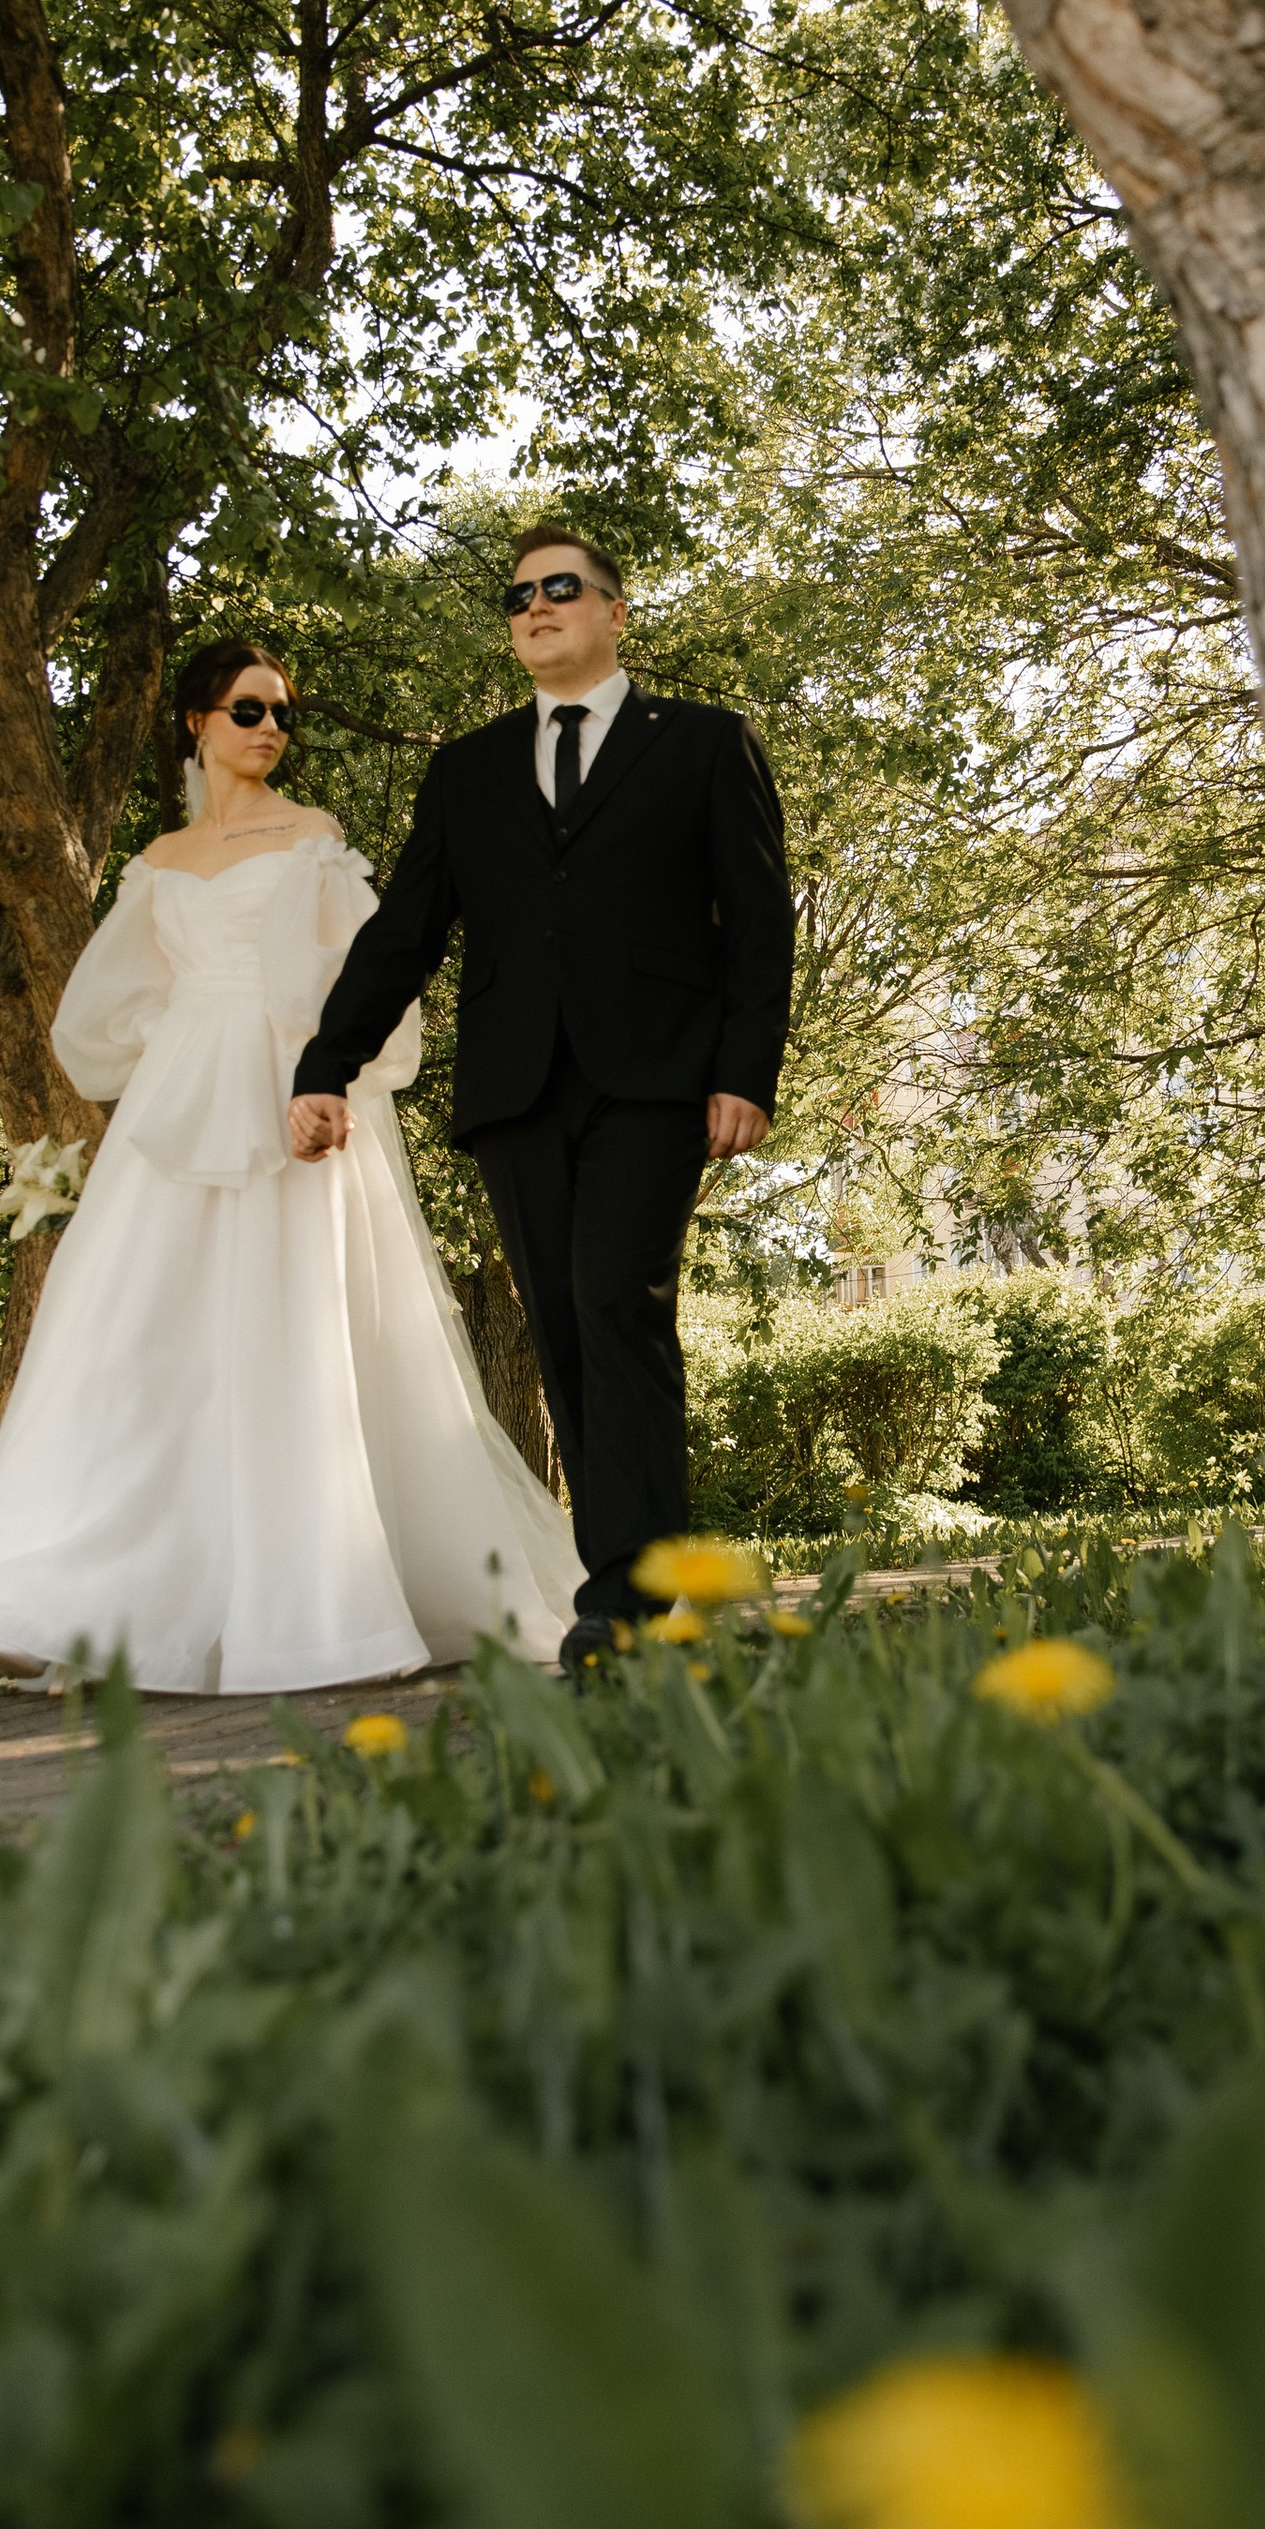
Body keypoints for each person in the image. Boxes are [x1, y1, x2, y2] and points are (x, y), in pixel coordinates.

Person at [0, 640, 580, 1691]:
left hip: (290, 1093)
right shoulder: (159, 861)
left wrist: (335, 1081)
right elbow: (109, 1005)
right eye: (248, 709)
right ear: (197, 721)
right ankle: (61, 1603)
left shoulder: (312, 838)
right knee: (133, 1343)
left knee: (294, 1334)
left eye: (282, 713)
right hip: (179, 1110)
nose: (271, 728)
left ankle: (325, 1609)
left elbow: (366, 976)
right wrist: (177, 1046)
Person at [288, 525, 794, 1674]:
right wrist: (326, 1064)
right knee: (564, 1325)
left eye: (561, 588)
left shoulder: (704, 744)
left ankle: (624, 1602)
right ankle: (635, 1580)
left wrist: (744, 1070)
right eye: (518, 597)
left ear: (615, 611)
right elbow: (404, 934)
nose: (535, 607)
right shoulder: (466, 771)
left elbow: (759, 922)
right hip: (515, 1089)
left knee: (617, 1299)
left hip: (656, 1077)